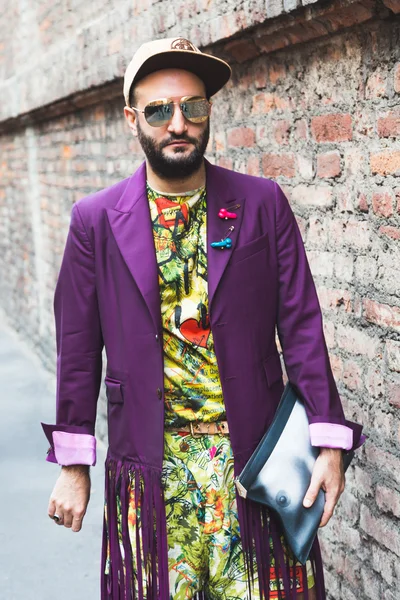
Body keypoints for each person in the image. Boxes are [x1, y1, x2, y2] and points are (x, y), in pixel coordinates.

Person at [42, 37, 364, 600]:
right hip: (149, 469)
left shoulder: (262, 203)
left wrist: (329, 444)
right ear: (131, 120)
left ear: (208, 112)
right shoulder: (94, 221)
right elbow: (76, 346)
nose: (177, 123)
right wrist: (74, 462)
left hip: (253, 466)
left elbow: (303, 326)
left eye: (192, 106)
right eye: (159, 110)